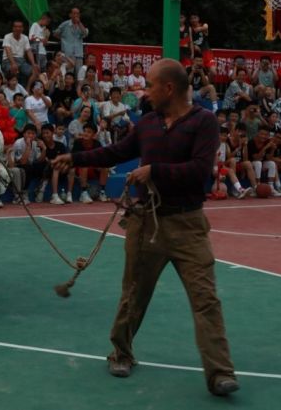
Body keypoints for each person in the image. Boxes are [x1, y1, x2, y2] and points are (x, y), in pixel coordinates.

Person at [51, 58, 239, 396]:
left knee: (205, 299)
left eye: (150, 85)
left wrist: (154, 171)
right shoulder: (148, 122)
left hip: (187, 224)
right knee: (133, 294)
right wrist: (76, 158)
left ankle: (220, 372)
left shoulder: (203, 122)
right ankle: (121, 352)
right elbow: (116, 152)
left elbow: (200, 171)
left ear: (169, 88)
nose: (145, 91)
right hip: (145, 222)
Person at [71, 123, 109, 203]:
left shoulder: (97, 144)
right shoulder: (78, 142)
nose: (85, 133)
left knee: (105, 167)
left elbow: (101, 158)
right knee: (84, 165)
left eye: (89, 132)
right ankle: (83, 193)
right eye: (84, 131)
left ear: (94, 135)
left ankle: (102, 192)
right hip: (79, 169)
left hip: (92, 167)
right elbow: (74, 158)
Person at [40, 124, 72, 205]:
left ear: (52, 133)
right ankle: (54, 195)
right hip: (46, 170)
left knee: (72, 168)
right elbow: (42, 160)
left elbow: (65, 159)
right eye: (43, 133)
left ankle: (69, 194)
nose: (45, 135)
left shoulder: (60, 145)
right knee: (56, 167)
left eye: (47, 133)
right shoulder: (41, 145)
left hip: (60, 168)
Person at [2, 20, 38, 88]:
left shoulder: (25, 37)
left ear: (22, 28)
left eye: (20, 27)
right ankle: (11, 90)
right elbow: (8, 50)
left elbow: (28, 51)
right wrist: (13, 63)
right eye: (16, 27)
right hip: (8, 60)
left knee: (35, 71)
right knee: (13, 70)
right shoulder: (7, 36)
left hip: (21, 61)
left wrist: (33, 64)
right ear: (13, 28)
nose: (18, 28)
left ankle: (27, 90)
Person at [54, 7, 89, 75]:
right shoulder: (65, 24)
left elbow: (85, 33)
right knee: (68, 75)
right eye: (74, 13)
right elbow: (55, 33)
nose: (76, 15)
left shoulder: (81, 25)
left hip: (78, 54)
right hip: (68, 54)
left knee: (79, 75)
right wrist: (62, 39)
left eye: (78, 13)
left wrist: (79, 23)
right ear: (70, 15)